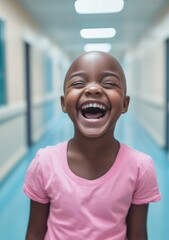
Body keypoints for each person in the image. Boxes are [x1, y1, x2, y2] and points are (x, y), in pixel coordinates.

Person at [24, 51, 161, 240]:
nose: (94, 89)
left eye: (110, 84)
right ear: (64, 103)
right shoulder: (44, 163)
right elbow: (34, 233)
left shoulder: (140, 167)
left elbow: (137, 234)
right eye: (79, 83)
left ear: (124, 103)